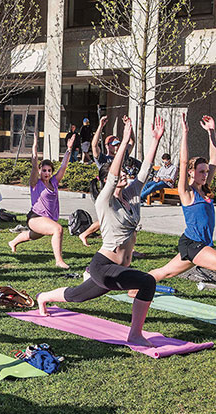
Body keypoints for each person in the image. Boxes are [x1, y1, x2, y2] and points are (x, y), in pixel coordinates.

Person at [35, 116, 157, 346]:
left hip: (116, 268)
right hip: (104, 267)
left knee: (76, 295)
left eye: (123, 174)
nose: (123, 175)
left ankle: (44, 297)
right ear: (107, 180)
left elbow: (144, 172)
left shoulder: (131, 197)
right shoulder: (104, 201)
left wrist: (156, 140)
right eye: (117, 174)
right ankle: (135, 334)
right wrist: (125, 140)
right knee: (148, 282)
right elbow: (112, 175)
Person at [132, 114, 216, 327]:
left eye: (206, 172)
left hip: (195, 243)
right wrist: (185, 133)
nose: (205, 174)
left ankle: (135, 288)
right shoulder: (187, 192)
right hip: (193, 244)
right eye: (201, 171)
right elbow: (182, 160)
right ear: (191, 172)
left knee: (165, 272)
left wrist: (212, 132)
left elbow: (215, 158)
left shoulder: (204, 188)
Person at [7, 129, 74, 269]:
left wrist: (68, 149)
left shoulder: (54, 182)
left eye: (49, 170)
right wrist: (35, 145)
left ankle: (13, 242)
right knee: (58, 229)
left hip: (46, 218)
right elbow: (34, 163)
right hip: (35, 217)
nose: (47, 173)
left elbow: (64, 166)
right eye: (44, 170)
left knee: (32, 235)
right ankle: (59, 260)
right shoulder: (35, 183)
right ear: (40, 171)